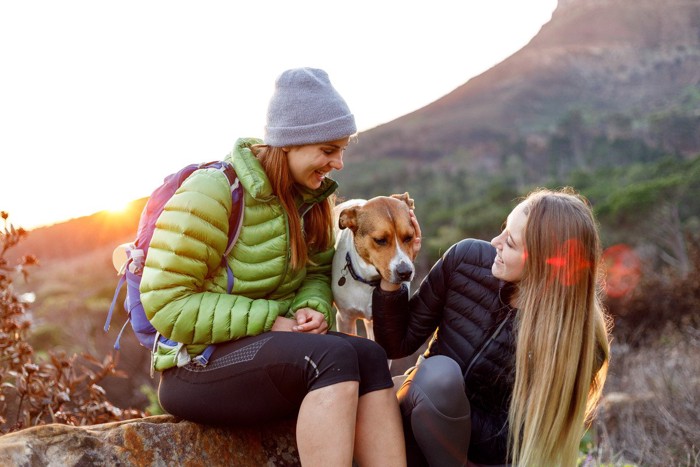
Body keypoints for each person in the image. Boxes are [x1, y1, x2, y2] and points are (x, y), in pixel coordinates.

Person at [139, 67, 406, 467]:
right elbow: (166, 304)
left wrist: (312, 308)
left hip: (273, 354)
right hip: (196, 366)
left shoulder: (313, 201)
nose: (339, 163)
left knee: (367, 355)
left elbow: (317, 273)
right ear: (290, 144)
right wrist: (271, 319)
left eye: (342, 150)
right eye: (329, 150)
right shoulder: (211, 191)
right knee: (330, 358)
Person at [373, 187, 611, 467]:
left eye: (509, 243)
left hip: (488, 459)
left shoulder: (577, 341)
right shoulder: (466, 260)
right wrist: (393, 272)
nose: (495, 242)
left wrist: (461, 427)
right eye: (503, 229)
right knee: (439, 376)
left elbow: (526, 439)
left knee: (440, 380)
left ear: (543, 262)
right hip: (419, 424)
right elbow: (396, 344)